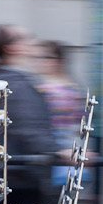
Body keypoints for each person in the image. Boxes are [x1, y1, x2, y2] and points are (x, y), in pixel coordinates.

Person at [0, 25, 62, 204]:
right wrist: (58, 152)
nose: (32, 43)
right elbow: (29, 127)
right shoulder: (15, 83)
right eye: (26, 39)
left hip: (14, 174)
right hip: (22, 176)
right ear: (11, 48)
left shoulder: (5, 79)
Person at [35, 40, 87, 190]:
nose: (41, 63)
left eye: (46, 58)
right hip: (59, 147)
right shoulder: (71, 86)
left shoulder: (58, 88)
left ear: (58, 61)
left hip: (61, 147)